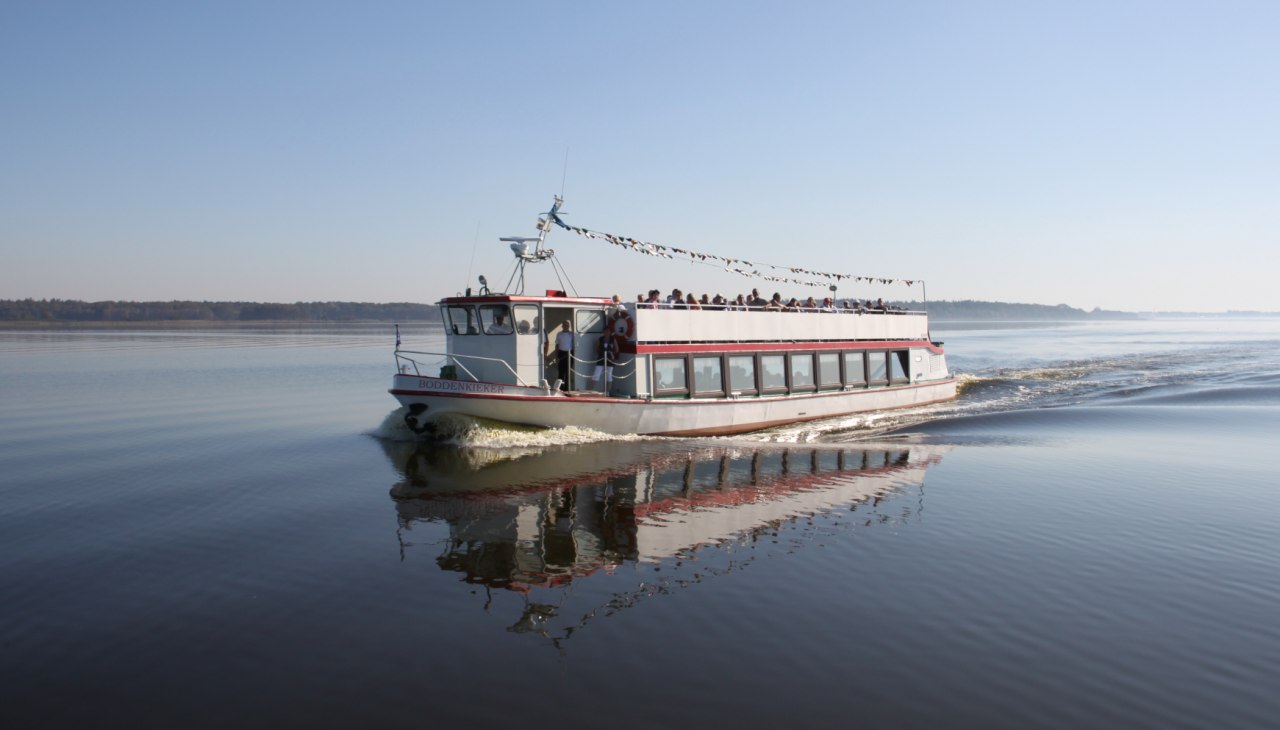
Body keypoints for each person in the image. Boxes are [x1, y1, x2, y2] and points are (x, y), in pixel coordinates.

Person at [545, 321, 574, 390]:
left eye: (567, 325)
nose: (565, 326)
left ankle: (567, 389)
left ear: (569, 326)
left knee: (568, 372)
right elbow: (557, 345)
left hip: (569, 354)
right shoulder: (559, 334)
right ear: (562, 326)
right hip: (561, 353)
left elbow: (574, 345)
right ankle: (560, 388)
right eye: (564, 325)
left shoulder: (572, 334)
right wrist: (556, 356)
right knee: (561, 372)